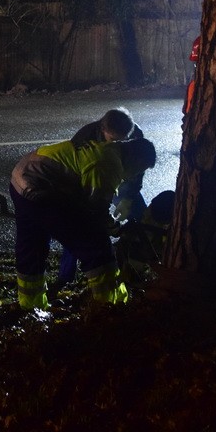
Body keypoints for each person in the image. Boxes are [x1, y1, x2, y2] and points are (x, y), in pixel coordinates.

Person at [10, 136, 157, 310]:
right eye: (140, 170)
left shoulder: (107, 149)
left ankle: (31, 306)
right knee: (97, 247)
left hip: (22, 178)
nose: (135, 176)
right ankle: (111, 306)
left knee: (32, 245)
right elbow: (96, 211)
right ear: (137, 160)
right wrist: (116, 230)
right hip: (43, 190)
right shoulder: (109, 164)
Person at [51, 108, 147, 293]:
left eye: (123, 141)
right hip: (92, 185)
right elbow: (75, 171)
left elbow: (139, 169)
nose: (119, 145)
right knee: (79, 228)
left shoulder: (136, 134)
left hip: (122, 182)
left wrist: (128, 198)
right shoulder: (85, 136)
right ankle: (65, 276)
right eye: (114, 141)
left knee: (142, 217)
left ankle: (137, 261)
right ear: (102, 129)